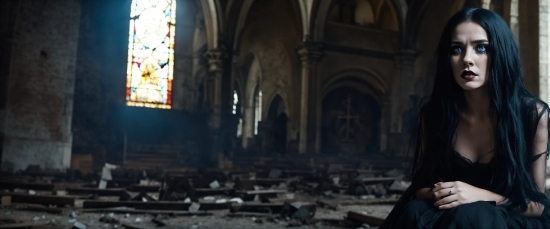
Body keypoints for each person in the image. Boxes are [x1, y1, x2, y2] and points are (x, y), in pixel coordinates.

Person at [380, 8, 550, 228]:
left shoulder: (532, 115)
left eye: (481, 48)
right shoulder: (434, 115)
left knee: (474, 215)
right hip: (450, 213)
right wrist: (452, 193)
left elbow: (537, 205)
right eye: (456, 49)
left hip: (506, 219)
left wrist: (478, 195)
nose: (467, 59)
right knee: (415, 212)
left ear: (501, 52)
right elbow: (420, 189)